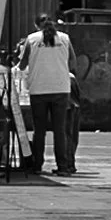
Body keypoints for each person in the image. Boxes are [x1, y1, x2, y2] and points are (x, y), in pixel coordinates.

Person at [14, 13, 76, 176]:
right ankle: (62, 167)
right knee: (59, 130)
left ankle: (37, 165)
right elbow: (73, 62)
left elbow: (22, 65)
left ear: (36, 26)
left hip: (39, 89)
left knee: (39, 130)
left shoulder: (32, 39)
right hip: (61, 89)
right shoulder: (65, 38)